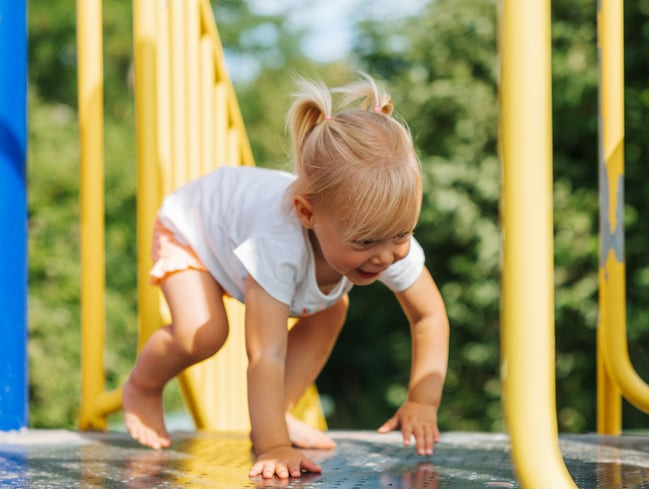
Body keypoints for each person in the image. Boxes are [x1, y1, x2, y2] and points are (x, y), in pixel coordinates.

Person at [122, 73, 450, 480]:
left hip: (239, 232)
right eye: (366, 242)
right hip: (194, 228)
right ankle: (143, 386)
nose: (386, 256)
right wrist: (273, 447)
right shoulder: (278, 243)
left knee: (332, 309)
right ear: (307, 213)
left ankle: (279, 413)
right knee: (203, 333)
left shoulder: (385, 231)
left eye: (402, 234)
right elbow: (265, 354)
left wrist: (423, 399)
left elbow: (429, 316)